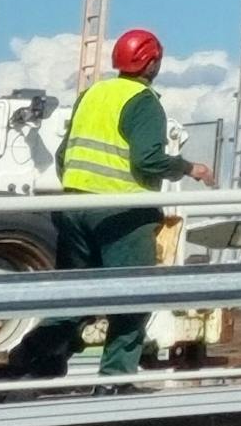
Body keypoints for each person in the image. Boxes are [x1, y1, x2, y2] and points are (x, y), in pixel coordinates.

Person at [61, 26, 178, 376]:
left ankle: (34, 361)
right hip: (122, 215)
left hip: (74, 209)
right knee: (132, 298)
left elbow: (62, 153)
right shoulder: (144, 103)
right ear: (152, 63)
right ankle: (115, 380)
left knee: (71, 295)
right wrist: (190, 167)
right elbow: (149, 161)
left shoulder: (92, 94)